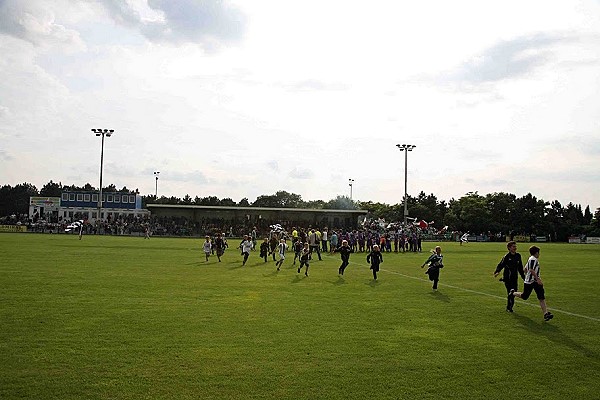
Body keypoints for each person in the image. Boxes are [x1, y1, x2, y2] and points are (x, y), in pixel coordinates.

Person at [509, 246, 554, 321]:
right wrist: (537, 279)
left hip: (533, 281)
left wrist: (528, 275)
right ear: (536, 253)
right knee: (524, 296)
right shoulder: (533, 259)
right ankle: (513, 293)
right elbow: (531, 270)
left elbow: (525, 269)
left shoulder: (530, 259)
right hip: (531, 282)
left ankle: (546, 313)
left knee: (541, 297)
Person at [493, 241, 525, 312]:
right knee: (510, 291)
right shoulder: (507, 257)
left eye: (515, 246)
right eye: (513, 246)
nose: (515, 248)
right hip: (507, 278)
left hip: (514, 277)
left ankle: (509, 306)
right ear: (509, 248)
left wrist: (524, 278)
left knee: (513, 292)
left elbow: (520, 268)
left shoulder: (518, 256)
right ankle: (509, 307)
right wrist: (497, 271)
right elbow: (501, 265)